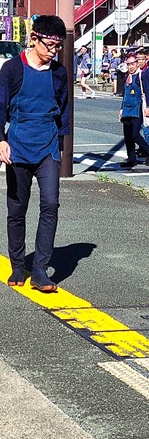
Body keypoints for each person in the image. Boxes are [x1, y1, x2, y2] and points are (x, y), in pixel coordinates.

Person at [0, 15, 69, 291]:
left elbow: (63, 111)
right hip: (17, 144)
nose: (54, 50)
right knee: (17, 209)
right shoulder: (12, 69)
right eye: (50, 44)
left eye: (58, 45)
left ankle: (40, 269)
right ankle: (18, 264)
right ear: (34, 38)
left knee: (50, 204)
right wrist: (1, 140)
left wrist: (61, 148)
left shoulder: (59, 73)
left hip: (47, 145)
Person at [118, 53, 149, 167]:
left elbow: (148, 91)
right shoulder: (126, 77)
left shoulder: (141, 76)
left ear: (137, 64)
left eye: (133, 64)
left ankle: (148, 151)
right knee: (127, 136)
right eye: (128, 64)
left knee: (134, 134)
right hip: (126, 108)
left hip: (137, 108)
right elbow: (125, 95)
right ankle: (131, 159)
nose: (131, 67)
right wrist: (121, 108)